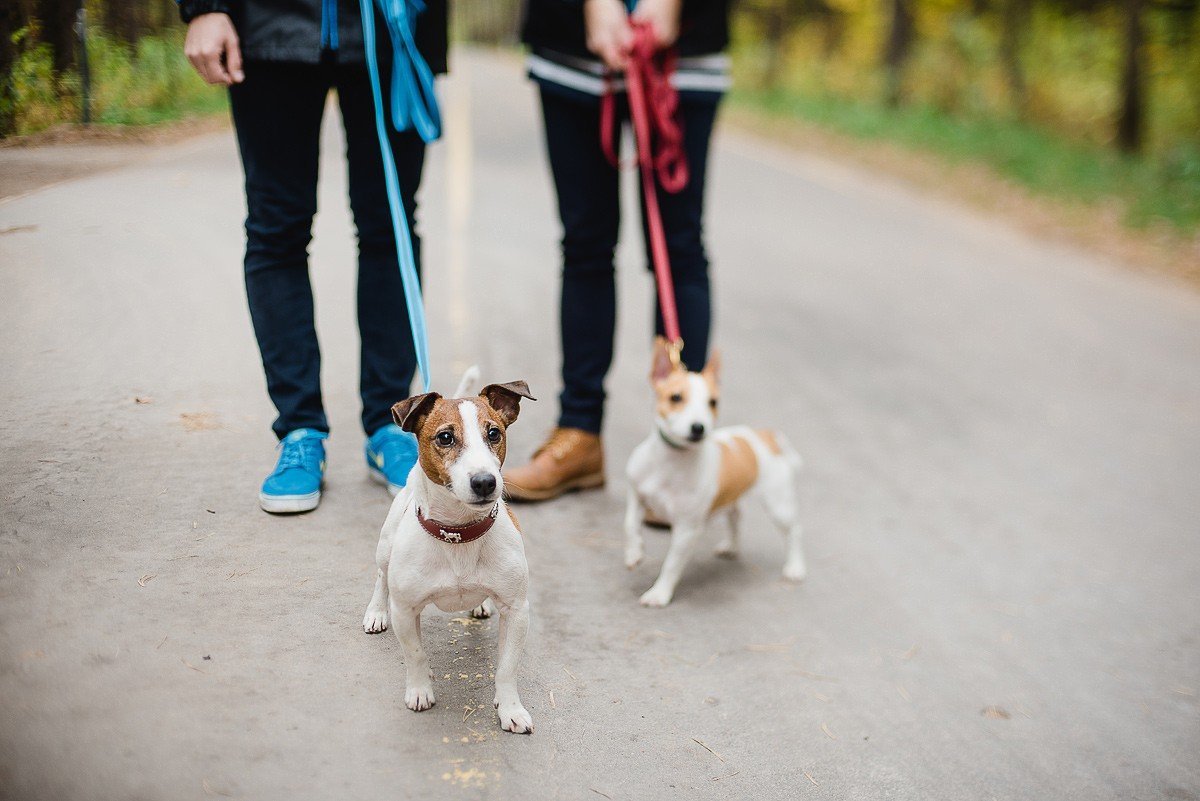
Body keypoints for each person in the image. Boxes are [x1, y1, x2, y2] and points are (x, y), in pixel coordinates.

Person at [178, 0, 447, 513]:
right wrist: (204, 7)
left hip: (394, 24)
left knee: (390, 224)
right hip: (268, 28)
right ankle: (299, 431)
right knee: (276, 229)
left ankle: (391, 425)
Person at [506, 0, 732, 501]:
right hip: (571, 45)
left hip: (685, 50)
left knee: (679, 249)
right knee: (585, 243)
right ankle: (580, 435)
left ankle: (682, 460)